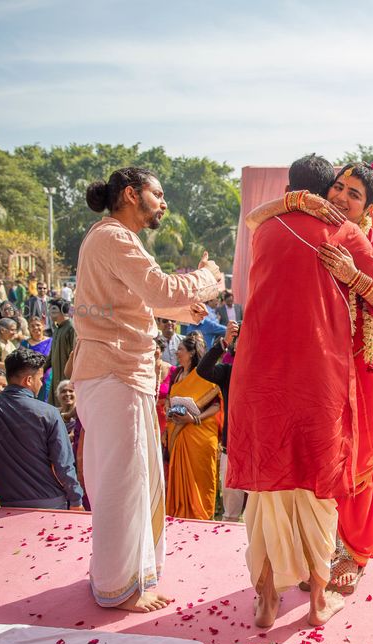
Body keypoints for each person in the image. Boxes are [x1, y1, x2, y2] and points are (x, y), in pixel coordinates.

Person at [228, 155, 373, 627]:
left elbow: (256, 217)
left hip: (260, 380)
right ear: (326, 193)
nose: (342, 200)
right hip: (318, 382)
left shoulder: (264, 229)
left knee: (266, 492)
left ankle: (265, 600)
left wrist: (287, 203)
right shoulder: (350, 236)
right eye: (339, 190)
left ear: (292, 188)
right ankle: (318, 602)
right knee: (318, 489)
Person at [73, 167, 222, 613]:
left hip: (120, 374)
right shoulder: (113, 237)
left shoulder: (113, 238)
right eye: (159, 194)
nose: (164, 203)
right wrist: (209, 277)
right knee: (123, 482)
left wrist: (186, 309)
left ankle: (126, 577)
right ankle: (120, 588)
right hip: (114, 375)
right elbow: (159, 287)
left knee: (137, 479)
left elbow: (146, 299)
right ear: (132, 194)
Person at [0, 348, 83, 510]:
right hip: (51, 502)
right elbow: (63, 464)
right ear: (29, 380)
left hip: (8, 502)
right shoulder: (48, 412)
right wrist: (76, 501)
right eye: (41, 379)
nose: (41, 383)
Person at [165, 334, 222, 520]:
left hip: (200, 435)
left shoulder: (203, 374)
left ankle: (201, 516)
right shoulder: (176, 374)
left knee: (201, 478)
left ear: (190, 353)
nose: (176, 352)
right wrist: (169, 410)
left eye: (180, 349)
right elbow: (169, 399)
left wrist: (195, 419)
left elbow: (216, 405)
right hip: (178, 432)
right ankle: (180, 514)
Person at [195, 320, 245, 522]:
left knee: (257, 514)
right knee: (231, 513)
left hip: (259, 452)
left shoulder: (265, 372)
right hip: (231, 451)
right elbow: (203, 370)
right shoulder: (227, 372)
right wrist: (223, 342)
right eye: (240, 340)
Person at [47, 300, 76, 408]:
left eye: (53, 310)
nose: (50, 313)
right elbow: (52, 355)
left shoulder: (71, 328)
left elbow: (74, 355)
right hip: (56, 378)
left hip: (67, 380)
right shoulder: (58, 329)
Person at [21, 315, 53, 402]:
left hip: (48, 372)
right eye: (32, 326)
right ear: (28, 328)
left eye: (38, 325)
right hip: (31, 373)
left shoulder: (51, 341)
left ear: (43, 326)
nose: (35, 328)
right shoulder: (25, 344)